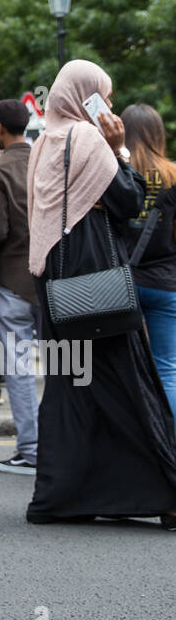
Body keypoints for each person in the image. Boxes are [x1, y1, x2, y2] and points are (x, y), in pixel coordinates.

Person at [25, 61, 176, 526]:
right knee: (125, 381)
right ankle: (161, 492)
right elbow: (128, 201)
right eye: (102, 98)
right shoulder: (90, 140)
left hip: (57, 277)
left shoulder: (42, 142)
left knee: (69, 387)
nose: (108, 108)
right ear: (83, 97)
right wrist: (121, 151)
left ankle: (61, 497)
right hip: (95, 278)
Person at [0, 99, 40, 471]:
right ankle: (59, 443)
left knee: (18, 369)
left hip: (12, 279)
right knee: (67, 364)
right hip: (51, 281)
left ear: (0, 127)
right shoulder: (46, 161)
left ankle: (32, 448)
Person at [122, 104, 176, 427]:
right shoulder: (173, 174)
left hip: (122, 283)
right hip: (166, 282)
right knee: (167, 369)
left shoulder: (117, 171)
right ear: (158, 133)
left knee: (125, 370)